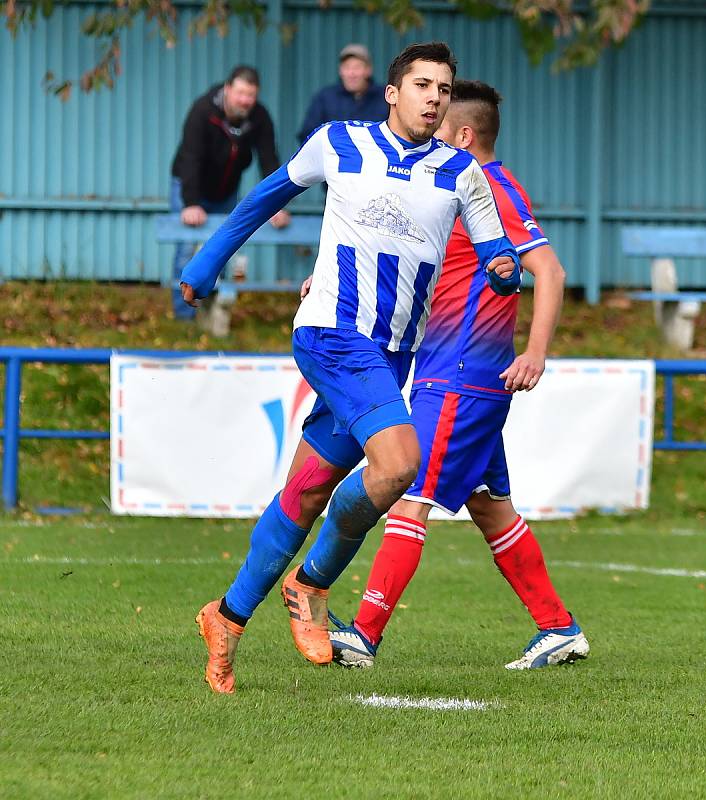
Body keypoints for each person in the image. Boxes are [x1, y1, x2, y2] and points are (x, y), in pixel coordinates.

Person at [180, 42, 521, 693]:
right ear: (392, 93)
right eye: (422, 84)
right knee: (397, 464)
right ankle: (310, 586)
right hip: (332, 336)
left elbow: (496, 253)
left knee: (306, 493)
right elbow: (260, 199)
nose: (433, 97)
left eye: (443, 89)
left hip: (388, 357)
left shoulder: (461, 173)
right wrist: (204, 265)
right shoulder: (338, 142)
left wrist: (505, 273)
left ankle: (225, 619)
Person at [327, 80, 590, 671]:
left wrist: (536, 353)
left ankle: (363, 636)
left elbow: (549, 269)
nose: (431, 135)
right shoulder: (453, 194)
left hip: (463, 373)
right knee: (489, 504)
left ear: (464, 136)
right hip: (453, 370)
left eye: (441, 127)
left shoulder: (492, 186)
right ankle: (557, 627)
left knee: (408, 495)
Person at [170, 65, 291, 320]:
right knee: (187, 248)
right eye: (240, 94)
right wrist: (190, 203)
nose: (245, 100)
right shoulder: (202, 111)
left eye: (251, 95)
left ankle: (213, 316)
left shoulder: (259, 117)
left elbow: (269, 160)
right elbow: (191, 158)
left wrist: (277, 203)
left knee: (223, 249)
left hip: (226, 189)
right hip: (190, 186)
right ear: (227, 90)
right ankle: (183, 318)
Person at [297, 44, 388, 143]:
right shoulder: (325, 98)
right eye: (347, 67)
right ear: (340, 71)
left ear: (368, 70)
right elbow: (308, 135)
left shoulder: (385, 98)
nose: (351, 73)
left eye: (357, 67)